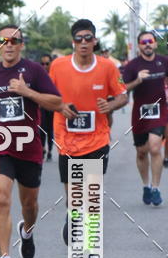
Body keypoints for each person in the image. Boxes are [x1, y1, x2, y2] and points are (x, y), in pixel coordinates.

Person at [0, 27, 62, 258]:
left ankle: (27, 230)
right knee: (2, 198)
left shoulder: (34, 70)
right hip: (0, 147)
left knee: (29, 205)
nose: (9, 45)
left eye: (14, 40)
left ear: (22, 44)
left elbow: (56, 103)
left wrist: (28, 92)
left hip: (28, 148)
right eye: (4, 41)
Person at [49, 19, 127, 243]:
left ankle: (89, 244)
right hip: (67, 140)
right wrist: (60, 106)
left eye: (88, 38)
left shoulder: (109, 67)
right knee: (73, 197)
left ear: (95, 41)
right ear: (72, 42)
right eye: (78, 39)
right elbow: (48, 96)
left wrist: (111, 105)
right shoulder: (58, 66)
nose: (83, 43)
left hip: (97, 139)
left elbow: (123, 95)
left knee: (91, 195)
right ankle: (73, 216)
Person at [121, 31, 168, 204]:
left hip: (159, 110)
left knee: (155, 147)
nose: (147, 44)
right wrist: (137, 80)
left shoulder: (164, 61)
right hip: (140, 113)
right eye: (144, 42)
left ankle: (156, 188)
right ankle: (146, 186)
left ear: (155, 44)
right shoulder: (132, 66)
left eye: (150, 41)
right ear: (139, 46)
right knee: (142, 152)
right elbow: (124, 89)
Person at [39, 54, 54, 159]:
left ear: (51, 64)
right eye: (42, 64)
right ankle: (42, 148)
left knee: (50, 130)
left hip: (52, 107)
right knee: (42, 129)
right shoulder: (38, 75)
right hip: (41, 106)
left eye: (47, 63)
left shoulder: (55, 75)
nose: (44, 66)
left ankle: (50, 150)